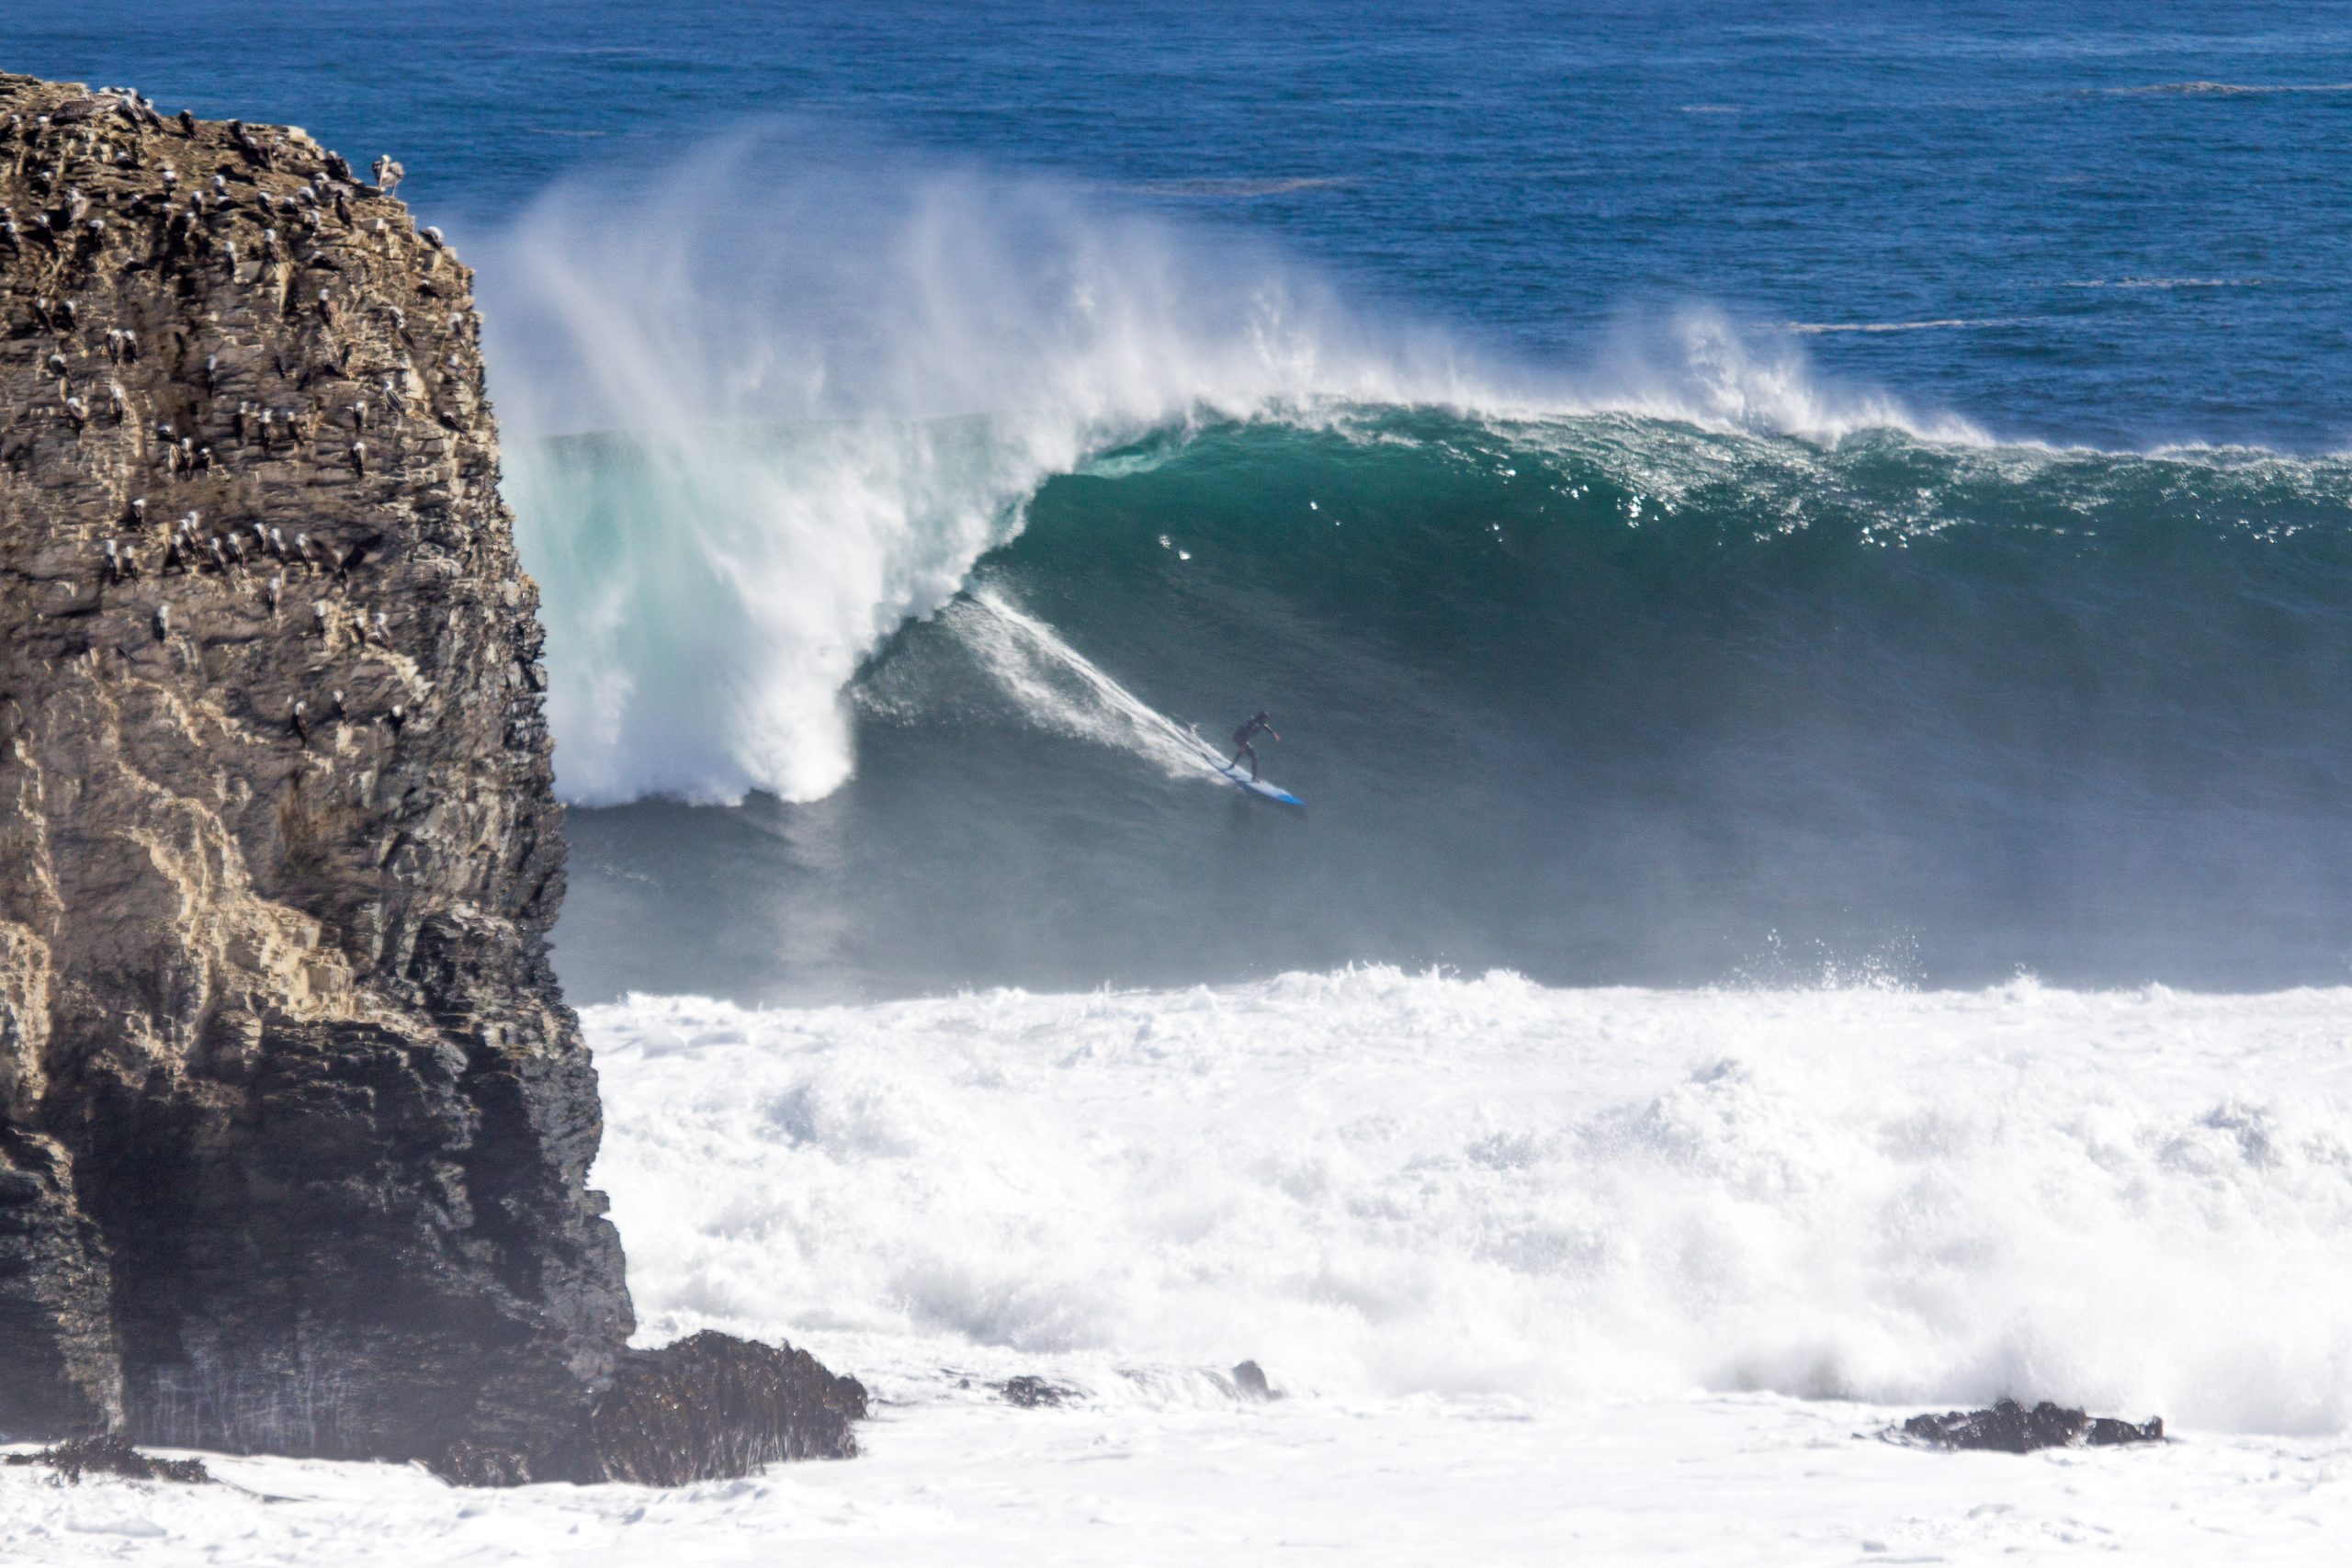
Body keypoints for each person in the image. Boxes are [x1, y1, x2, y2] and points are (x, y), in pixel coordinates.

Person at [1230, 710, 1280, 781]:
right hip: (1240, 738)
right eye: (1265, 719)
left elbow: (1265, 727)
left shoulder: (1256, 720)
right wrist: (1243, 745)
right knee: (1254, 756)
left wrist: (1273, 735)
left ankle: (1232, 764)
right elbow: (1246, 734)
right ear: (1262, 719)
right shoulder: (1254, 725)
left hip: (1237, 736)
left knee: (1243, 750)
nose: (1266, 721)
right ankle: (1254, 778)